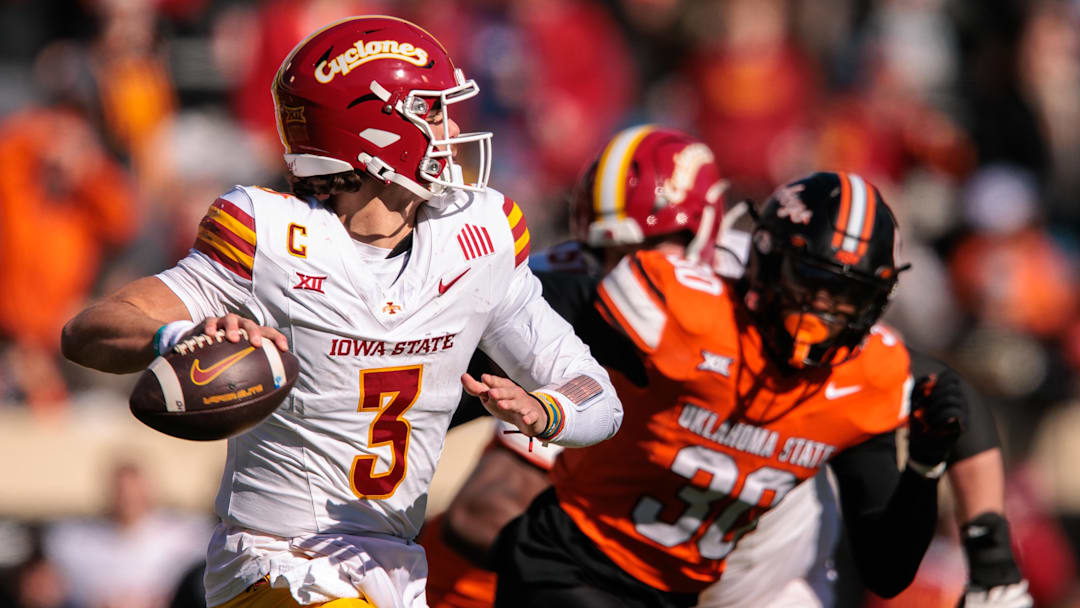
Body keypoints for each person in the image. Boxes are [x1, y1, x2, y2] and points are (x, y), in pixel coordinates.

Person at [60, 15, 623, 608]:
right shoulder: (272, 235)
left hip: (394, 571)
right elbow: (90, 330)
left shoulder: (480, 235)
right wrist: (184, 332)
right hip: (279, 565)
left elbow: (597, 398)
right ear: (374, 130)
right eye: (430, 110)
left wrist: (545, 408)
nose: (451, 125)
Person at [425, 126, 1031, 608]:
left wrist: (989, 552)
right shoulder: (628, 307)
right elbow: (485, 480)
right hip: (599, 561)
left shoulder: (854, 362)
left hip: (755, 580)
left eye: (648, 251)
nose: (629, 268)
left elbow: (948, 398)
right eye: (608, 255)